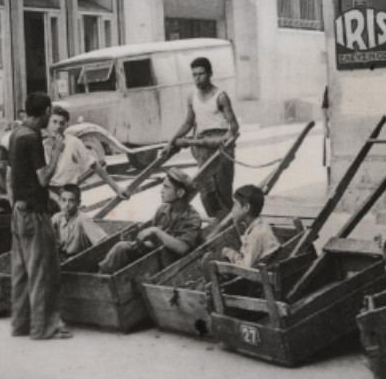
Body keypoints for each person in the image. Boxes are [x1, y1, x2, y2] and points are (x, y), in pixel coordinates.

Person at [6, 93, 71, 340]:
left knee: (21, 272)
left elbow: (12, 175)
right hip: (34, 212)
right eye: (49, 112)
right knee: (42, 270)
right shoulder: (32, 138)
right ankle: (43, 328)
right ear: (45, 111)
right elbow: (43, 178)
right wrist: (56, 152)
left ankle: (21, 325)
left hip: (19, 212)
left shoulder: (16, 134)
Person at [166, 56, 239, 219]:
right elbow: (188, 123)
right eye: (194, 75)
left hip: (221, 147)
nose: (197, 78)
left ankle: (231, 226)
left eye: (201, 74)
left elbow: (234, 126)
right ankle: (217, 227)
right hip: (202, 148)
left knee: (223, 190)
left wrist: (226, 140)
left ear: (210, 74)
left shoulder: (220, 96)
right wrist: (171, 141)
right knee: (206, 192)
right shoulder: (192, 96)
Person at [97, 168, 202, 274]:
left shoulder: (192, 217)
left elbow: (183, 248)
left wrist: (156, 231)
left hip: (171, 264)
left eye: (166, 187)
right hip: (156, 258)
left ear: (180, 192)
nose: (162, 191)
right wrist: (139, 243)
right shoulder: (162, 210)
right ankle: (100, 277)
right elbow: (153, 243)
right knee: (121, 247)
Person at [44, 106, 128, 203]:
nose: (58, 126)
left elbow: (95, 165)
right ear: (48, 123)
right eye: (54, 122)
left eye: (62, 123)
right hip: (48, 193)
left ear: (66, 125)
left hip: (67, 193)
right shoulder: (41, 144)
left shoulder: (73, 143)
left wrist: (116, 188)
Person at [201, 185, 280, 276]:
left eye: (235, 205)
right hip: (262, 267)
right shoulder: (259, 225)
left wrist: (229, 253)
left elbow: (245, 267)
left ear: (246, 208)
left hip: (254, 279)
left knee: (208, 259)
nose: (232, 210)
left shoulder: (256, 235)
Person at [51, 184, 107, 260]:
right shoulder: (57, 218)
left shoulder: (83, 219)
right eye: (63, 200)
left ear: (78, 203)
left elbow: (103, 242)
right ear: (59, 201)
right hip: (62, 258)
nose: (67, 204)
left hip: (80, 259)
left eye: (71, 201)